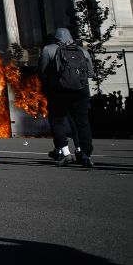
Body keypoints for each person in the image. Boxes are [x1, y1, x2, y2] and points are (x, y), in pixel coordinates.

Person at [38, 27, 95, 169]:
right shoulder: (82, 51)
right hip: (80, 92)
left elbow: (42, 71)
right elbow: (90, 73)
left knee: (57, 121)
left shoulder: (48, 49)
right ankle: (86, 154)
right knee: (82, 123)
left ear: (56, 38)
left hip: (59, 92)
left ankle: (65, 152)